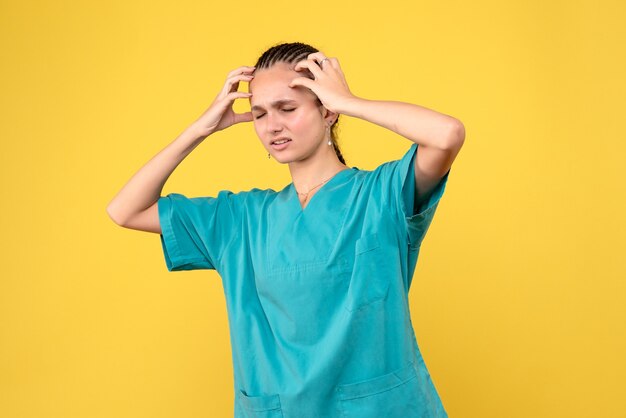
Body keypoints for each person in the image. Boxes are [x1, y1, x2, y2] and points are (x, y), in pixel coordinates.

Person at [107, 42, 465, 418]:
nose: (272, 125)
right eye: (259, 114)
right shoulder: (242, 219)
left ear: (325, 110)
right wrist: (199, 129)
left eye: (288, 108)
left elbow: (447, 134)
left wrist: (348, 102)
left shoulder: (382, 195)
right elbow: (125, 210)